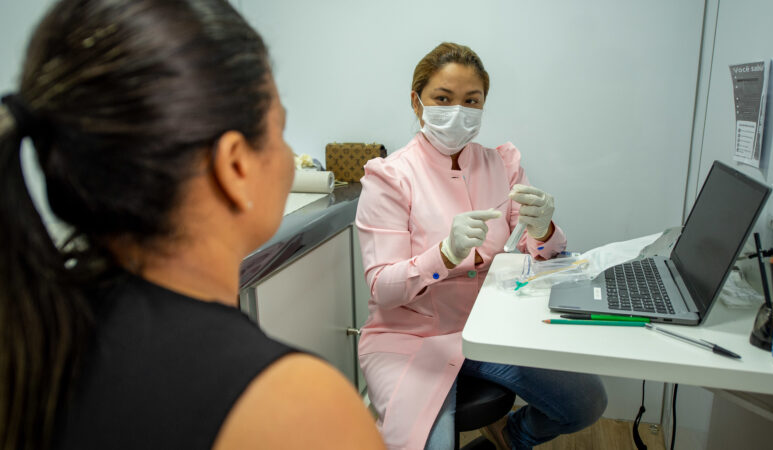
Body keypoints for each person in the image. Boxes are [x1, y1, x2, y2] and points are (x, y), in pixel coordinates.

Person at [0, 1, 385, 449]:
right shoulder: (297, 410)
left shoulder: (29, 344)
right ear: (235, 165)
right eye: (279, 131)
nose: (285, 156)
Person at [355, 42, 608, 449]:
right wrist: (444, 255)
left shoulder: (500, 164)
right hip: (412, 339)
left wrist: (543, 230)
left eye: (471, 101)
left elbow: (534, 253)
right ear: (417, 103)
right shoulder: (390, 178)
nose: (458, 111)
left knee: (586, 402)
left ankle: (510, 438)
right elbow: (383, 289)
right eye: (443, 98)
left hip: (490, 331)